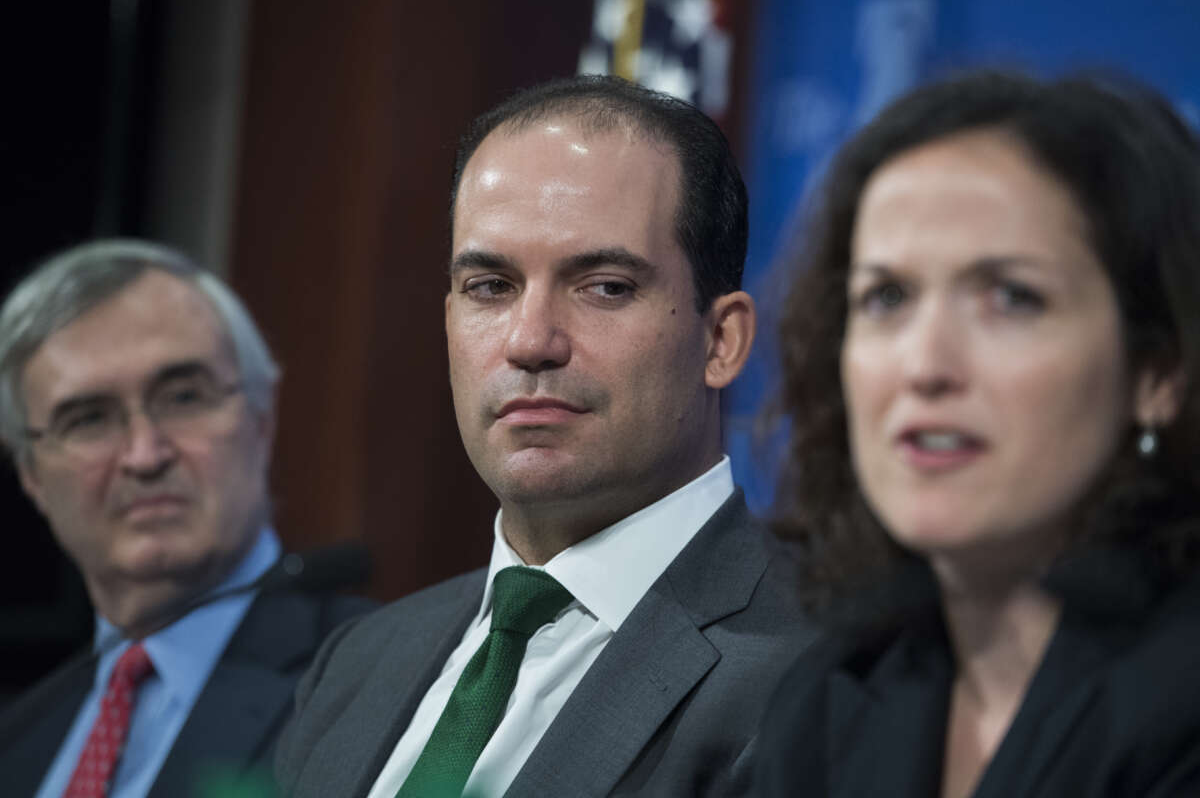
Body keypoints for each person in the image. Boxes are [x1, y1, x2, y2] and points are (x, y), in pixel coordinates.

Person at [274, 75, 812, 798]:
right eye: (490, 287)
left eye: (605, 286)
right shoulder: (355, 665)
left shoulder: (828, 666)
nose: (530, 342)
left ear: (721, 340)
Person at [757, 71, 1200, 797]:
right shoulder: (824, 703)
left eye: (1012, 297)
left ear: (1158, 372)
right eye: (886, 297)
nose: (925, 366)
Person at [0, 240, 373, 798]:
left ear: (262, 418)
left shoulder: (374, 683)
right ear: (30, 473)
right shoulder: (19, 737)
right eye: (88, 420)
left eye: (182, 398)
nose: (144, 456)